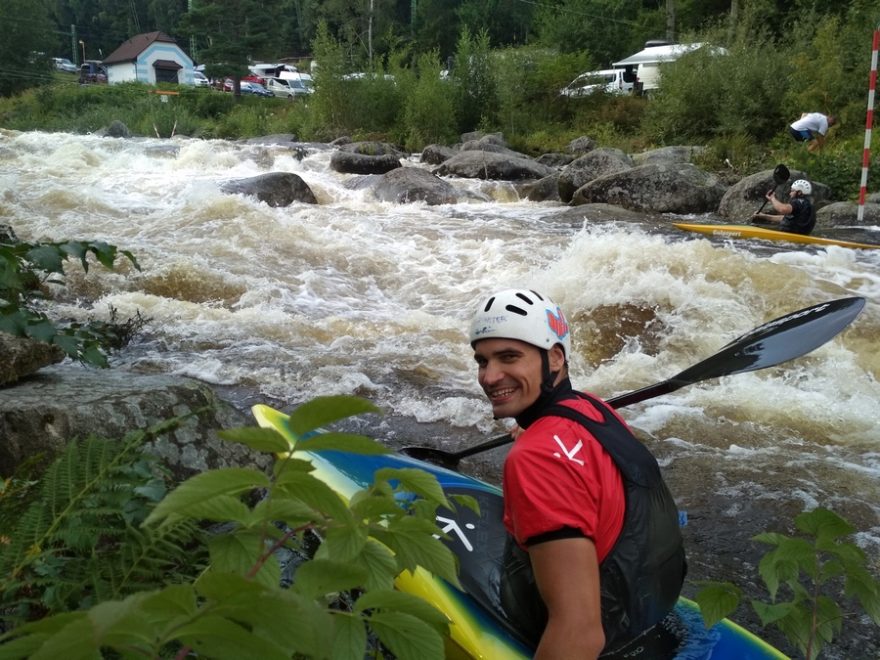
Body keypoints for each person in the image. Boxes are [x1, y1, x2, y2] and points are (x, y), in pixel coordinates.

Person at [469, 289, 686, 659]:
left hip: (600, 638)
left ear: (554, 358)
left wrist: (534, 445)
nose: (490, 376)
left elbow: (581, 634)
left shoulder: (534, 458)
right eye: (482, 360)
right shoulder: (594, 409)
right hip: (646, 610)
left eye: (509, 357)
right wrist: (534, 429)